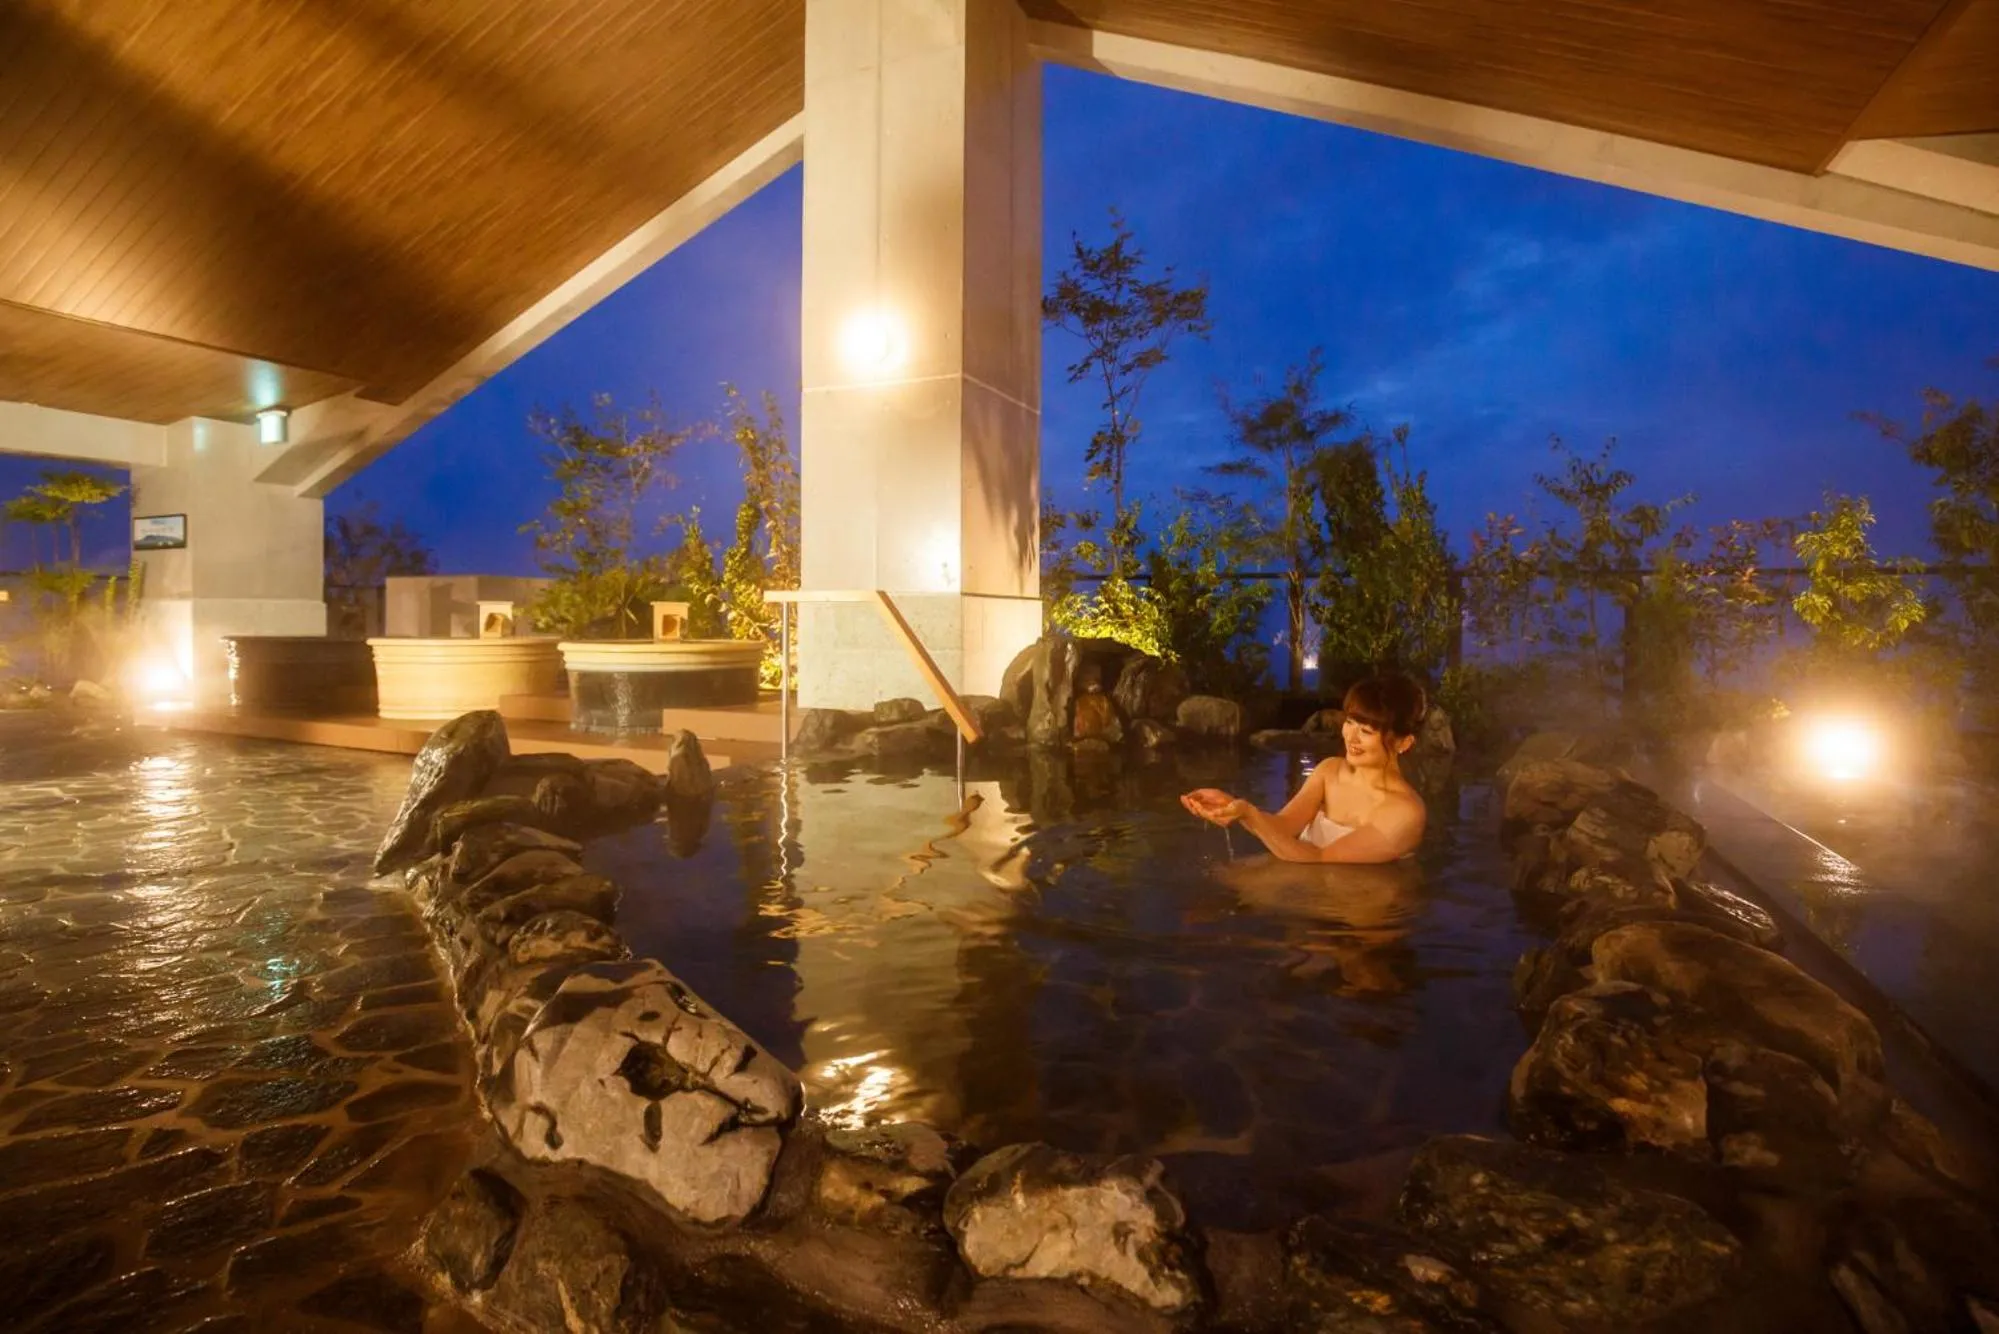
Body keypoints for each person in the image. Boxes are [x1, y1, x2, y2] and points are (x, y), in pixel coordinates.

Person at [1181, 675, 1429, 864]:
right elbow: (1284, 827)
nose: (1351, 737)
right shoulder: (1329, 772)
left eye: (1366, 731)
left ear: (1403, 742)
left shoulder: (1404, 812)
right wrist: (1233, 807)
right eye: (1350, 723)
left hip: (1355, 914)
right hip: (1304, 881)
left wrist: (1249, 815)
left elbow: (1320, 860)